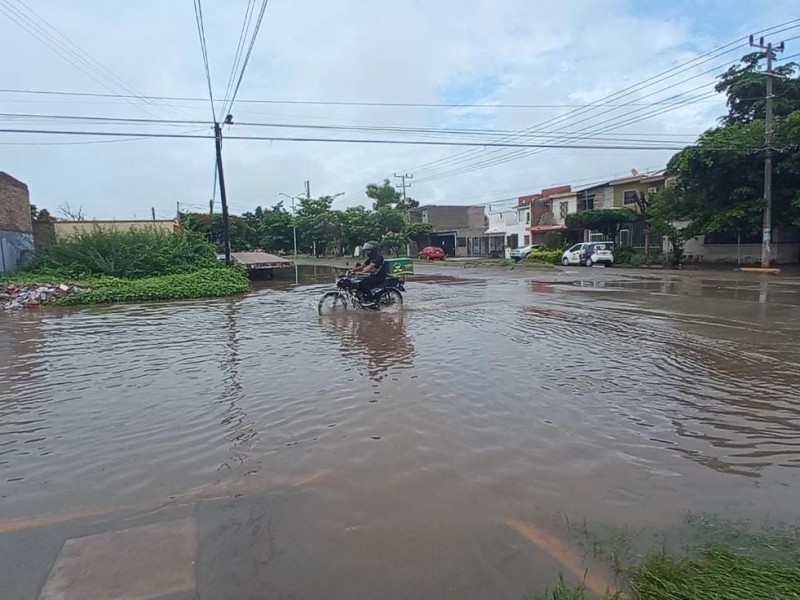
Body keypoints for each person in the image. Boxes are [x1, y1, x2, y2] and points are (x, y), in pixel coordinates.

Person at [353, 240, 386, 305]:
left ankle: (371, 299)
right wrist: (355, 270)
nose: (367, 252)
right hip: (374, 276)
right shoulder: (372, 257)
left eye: (369, 250)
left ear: (373, 250)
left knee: (363, 282)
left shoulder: (378, 257)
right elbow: (364, 265)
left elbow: (370, 266)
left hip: (379, 277)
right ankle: (362, 297)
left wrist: (362, 272)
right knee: (358, 281)